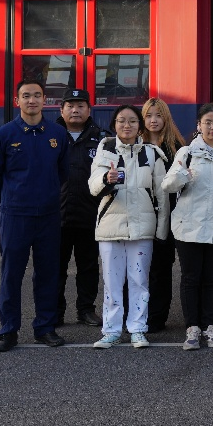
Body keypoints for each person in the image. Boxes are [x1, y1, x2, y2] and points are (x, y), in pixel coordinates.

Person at [0, 79, 71, 353]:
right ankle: (8, 331)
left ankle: (45, 327)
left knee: (47, 273)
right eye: (26, 96)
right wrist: (13, 199)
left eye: (36, 95)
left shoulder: (57, 134)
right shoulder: (4, 134)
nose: (31, 100)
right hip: (16, 216)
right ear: (16, 101)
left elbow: (63, 173)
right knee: (12, 274)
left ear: (45, 100)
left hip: (48, 216)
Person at [161, 104, 213, 351]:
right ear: (199, 125)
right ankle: (192, 328)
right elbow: (168, 185)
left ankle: (209, 326)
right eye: (207, 122)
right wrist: (183, 175)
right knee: (191, 278)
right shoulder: (187, 152)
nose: (212, 127)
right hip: (189, 227)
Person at [86, 104, 169, 349]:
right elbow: (93, 186)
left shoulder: (152, 153)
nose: (127, 125)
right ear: (114, 124)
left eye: (132, 121)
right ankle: (111, 330)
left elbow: (162, 195)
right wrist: (106, 179)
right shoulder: (105, 149)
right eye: (122, 120)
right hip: (110, 227)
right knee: (112, 284)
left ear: (139, 126)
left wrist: (161, 230)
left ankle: (138, 329)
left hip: (143, 228)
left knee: (139, 281)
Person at [56, 88, 108, 328]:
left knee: (88, 267)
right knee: (55, 268)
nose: (75, 110)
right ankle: (55, 311)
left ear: (89, 110)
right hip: (57, 216)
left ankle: (86, 309)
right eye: (70, 106)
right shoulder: (50, 136)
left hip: (90, 215)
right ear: (61, 110)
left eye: (80, 106)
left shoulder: (103, 139)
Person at [143, 97, 186, 334]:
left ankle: (157, 317)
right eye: (149, 115)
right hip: (140, 214)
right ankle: (137, 315)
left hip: (168, 216)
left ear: (166, 118)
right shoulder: (135, 144)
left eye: (158, 115)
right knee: (138, 269)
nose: (153, 120)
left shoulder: (176, 147)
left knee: (161, 268)